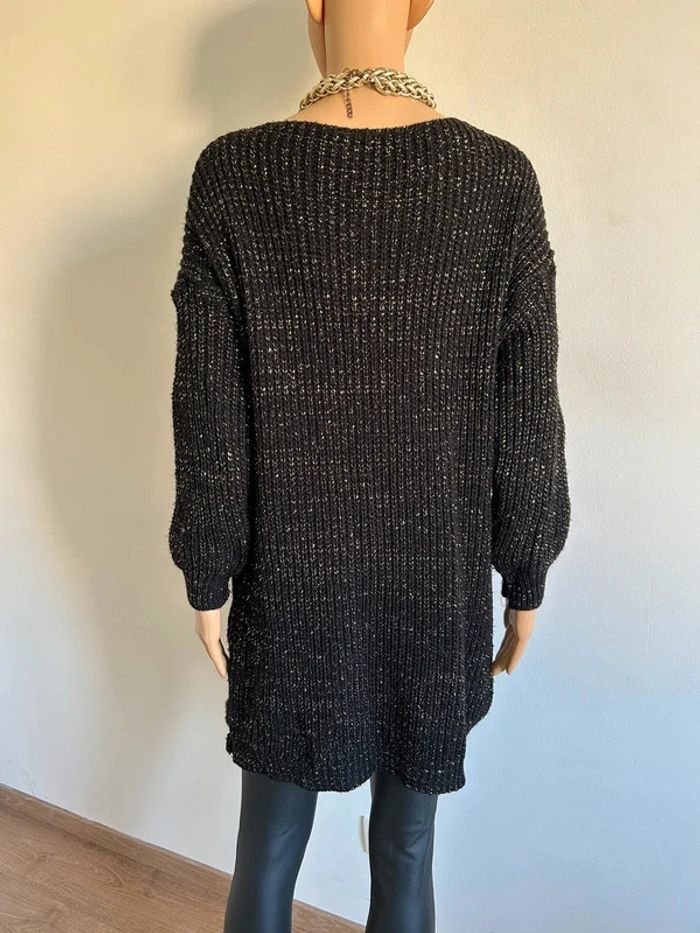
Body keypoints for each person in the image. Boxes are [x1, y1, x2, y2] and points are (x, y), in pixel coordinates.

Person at [166, 1, 571, 930]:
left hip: (292, 587)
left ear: (313, 7)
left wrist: (208, 572)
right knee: (408, 848)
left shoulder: (234, 174)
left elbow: (209, 412)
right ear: (420, 9)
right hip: (435, 588)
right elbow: (529, 411)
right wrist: (526, 578)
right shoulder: (498, 180)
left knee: (268, 847)